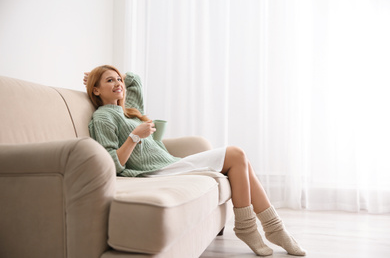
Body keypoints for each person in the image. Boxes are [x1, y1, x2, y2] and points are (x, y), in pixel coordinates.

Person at [84, 65, 306, 257]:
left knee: (242, 163)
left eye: (118, 79)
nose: (118, 83)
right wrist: (134, 137)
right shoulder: (103, 116)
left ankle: (274, 228)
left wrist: (101, 74)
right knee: (236, 154)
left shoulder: (129, 112)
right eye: (109, 81)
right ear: (96, 89)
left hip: (170, 162)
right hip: (155, 171)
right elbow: (112, 163)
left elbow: (134, 80)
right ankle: (250, 227)